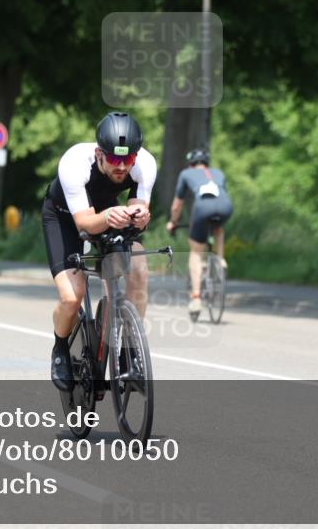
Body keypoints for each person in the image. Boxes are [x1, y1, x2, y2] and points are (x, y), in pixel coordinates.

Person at [41, 112, 156, 391]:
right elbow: (84, 223)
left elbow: (139, 206)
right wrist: (109, 217)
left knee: (138, 270)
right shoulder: (74, 163)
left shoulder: (145, 165)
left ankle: (129, 353)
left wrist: (140, 215)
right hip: (65, 217)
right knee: (72, 296)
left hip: (110, 214)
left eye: (127, 159)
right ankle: (59, 349)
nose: (121, 166)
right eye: (114, 159)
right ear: (98, 153)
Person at [165, 148, 233, 316]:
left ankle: (196, 298)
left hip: (202, 208)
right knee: (217, 226)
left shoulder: (186, 174)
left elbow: (177, 205)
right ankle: (220, 259)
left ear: (191, 164)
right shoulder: (218, 172)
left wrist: (173, 222)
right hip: (225, 206)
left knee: (196, 252)